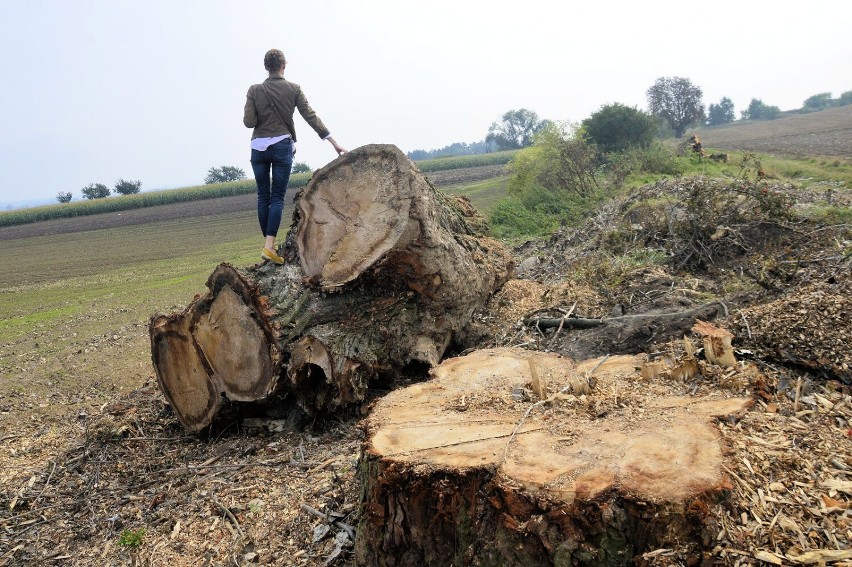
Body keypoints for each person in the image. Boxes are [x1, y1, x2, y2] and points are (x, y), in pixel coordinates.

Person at [243, 48, 346, 265]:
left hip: (258, 147)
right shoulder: (293, 89)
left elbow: (249, 122)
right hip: (281, 145)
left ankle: (268, 247)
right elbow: (310, 116)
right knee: (277, 197)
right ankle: (269, 247)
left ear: (266, 67)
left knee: (263, 196)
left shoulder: (254, 90)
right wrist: (332, 141)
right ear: (283, 66)